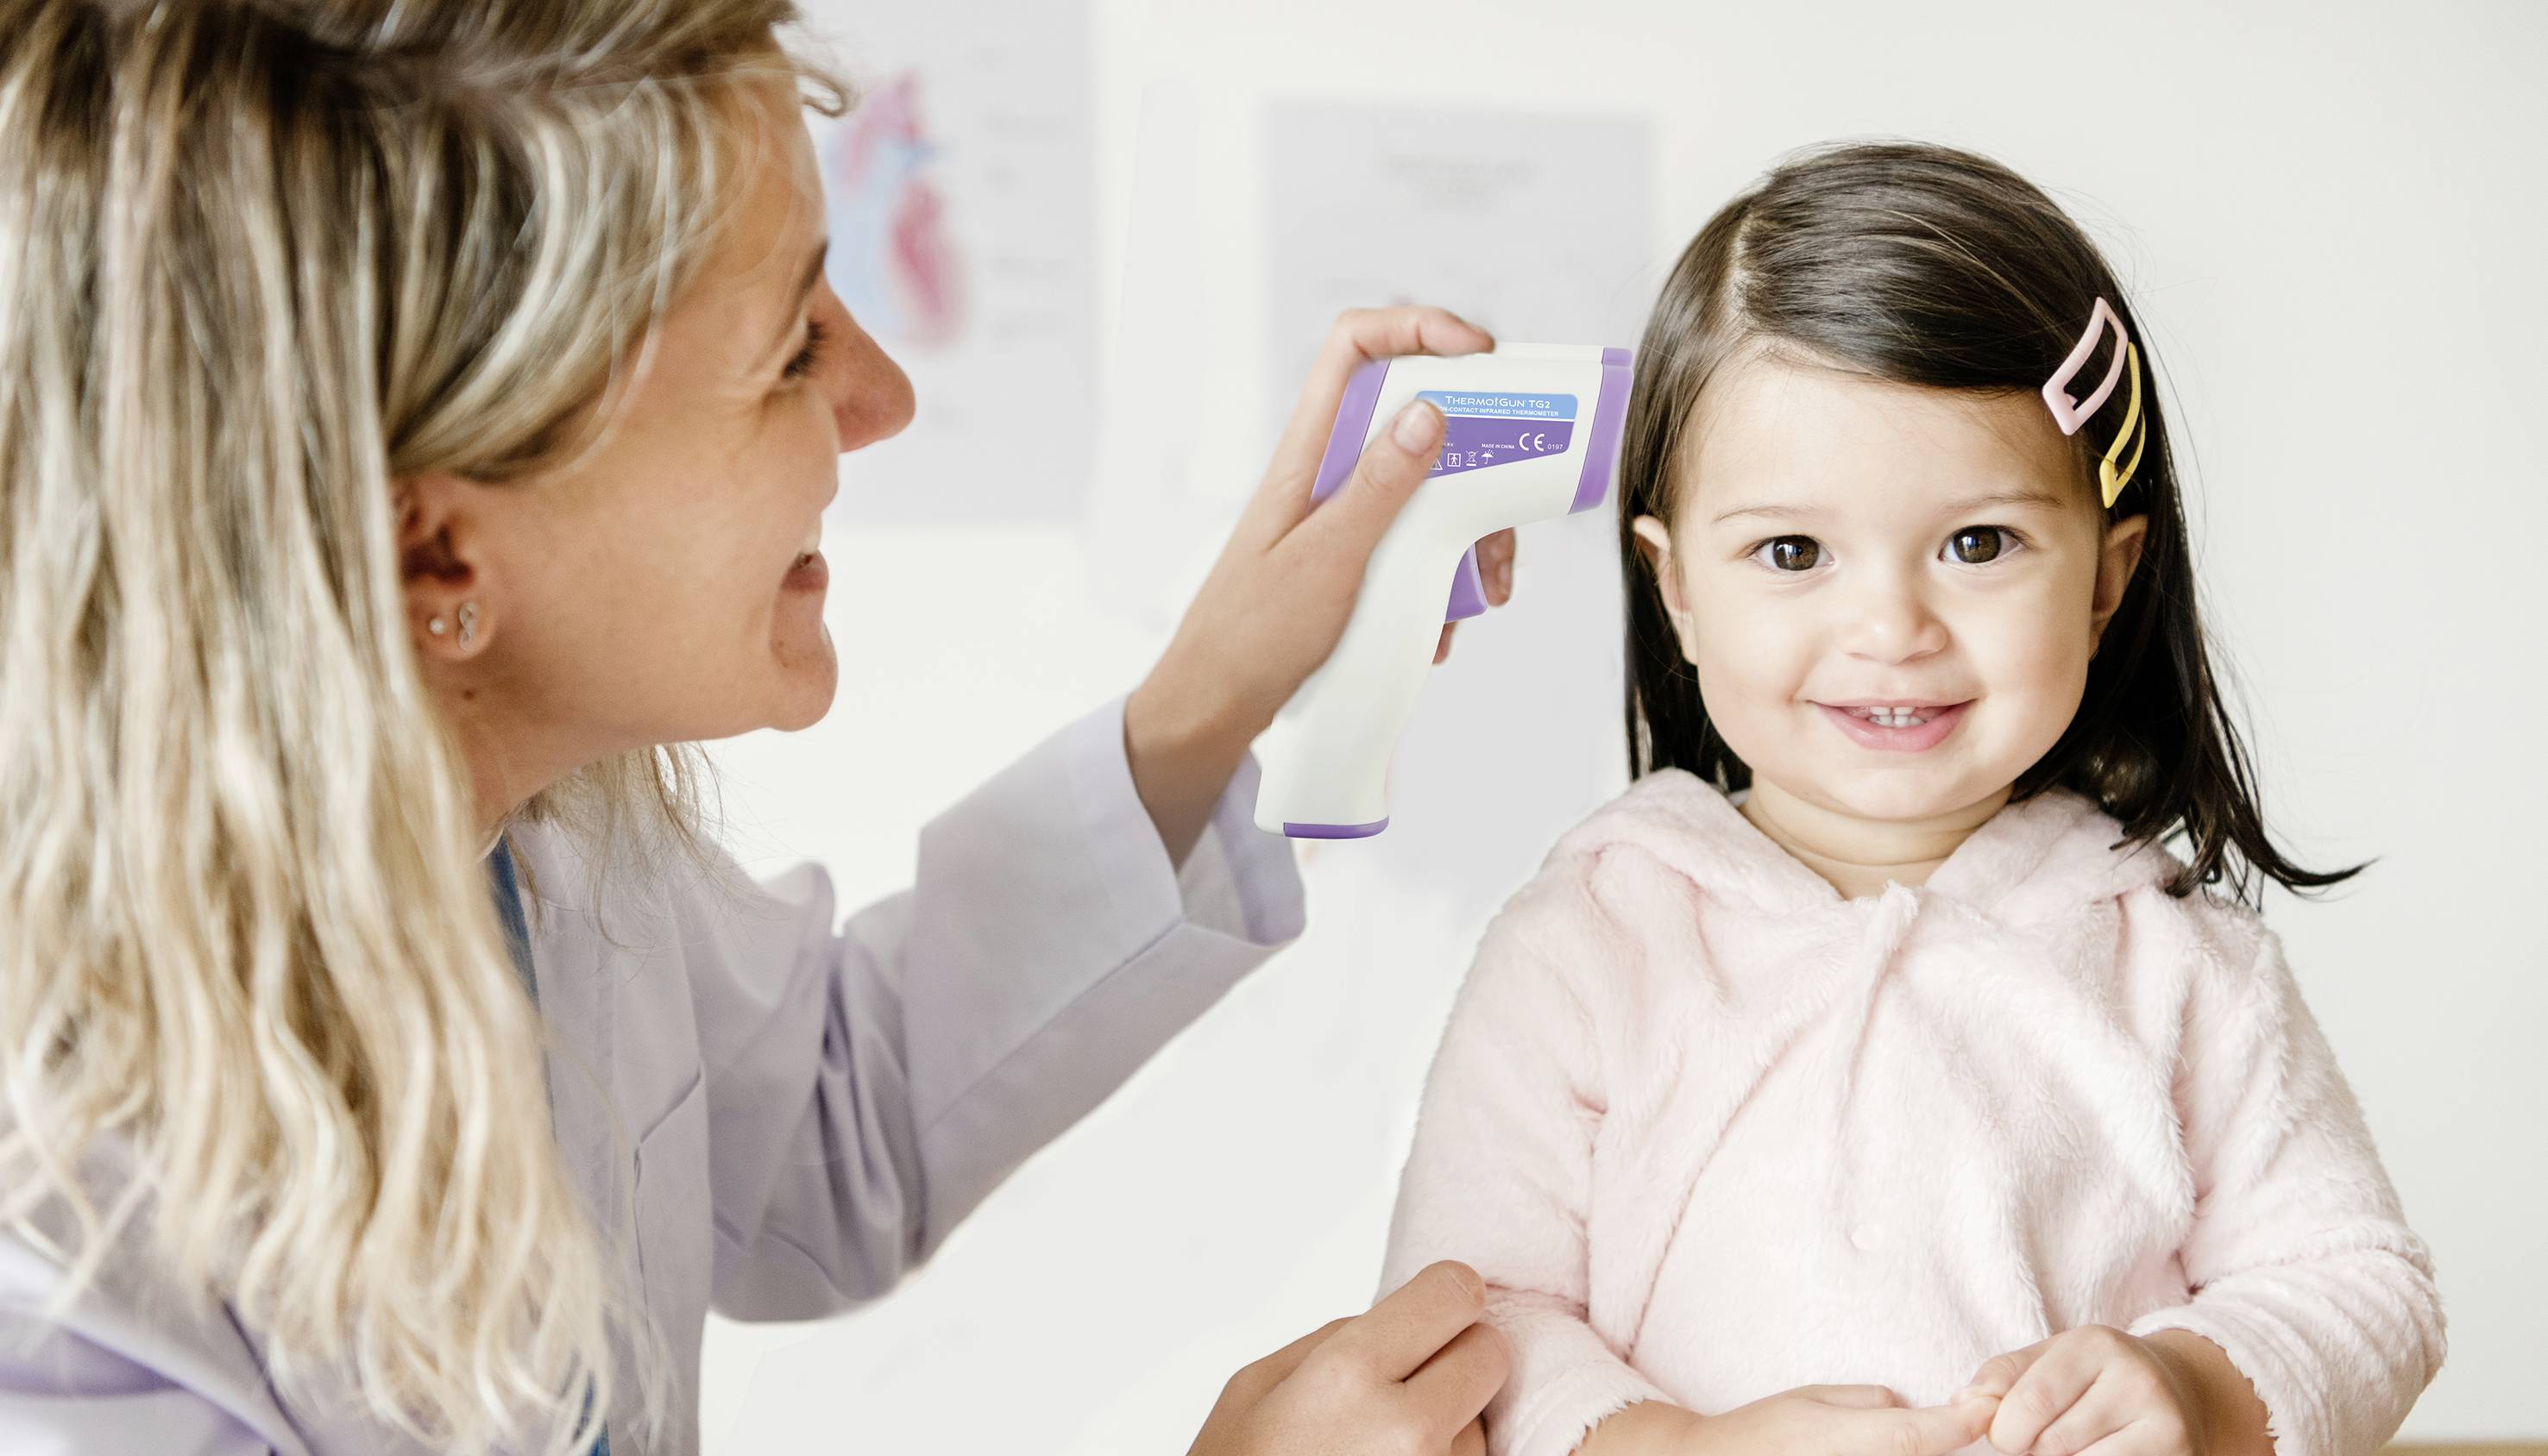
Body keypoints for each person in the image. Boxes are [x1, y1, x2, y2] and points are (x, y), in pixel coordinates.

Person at [0, 2, 1512, 1452]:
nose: (883, 396)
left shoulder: (550, 852)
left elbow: (832, 1131)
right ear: (438, 556)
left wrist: (1221, 688)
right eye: (791, 348)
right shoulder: (54, 1253)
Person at [1378, 142, 2447, 1456]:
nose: (1888, 625)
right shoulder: (1592, 942)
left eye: (1977, 544)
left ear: (2105, 580)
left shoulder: (2168, 957)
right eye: (1791, 550)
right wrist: (1668, 1446)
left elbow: (2361, 1285)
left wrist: (2196, 1387)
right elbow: (1473, 1323)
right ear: (1677, 591)